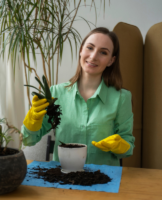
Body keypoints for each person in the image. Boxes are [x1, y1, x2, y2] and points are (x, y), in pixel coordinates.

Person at [20, 27, 135, 166]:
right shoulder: (56, 93)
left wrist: (121, 146)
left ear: (111, 60)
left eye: (103, 52)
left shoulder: (121, 98)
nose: (93, 56)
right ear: (81, 50)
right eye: (90, 48)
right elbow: (29, 140)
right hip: (63, 178)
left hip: (104, 179)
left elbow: (127, 148)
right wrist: (32, 121)